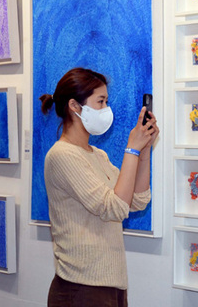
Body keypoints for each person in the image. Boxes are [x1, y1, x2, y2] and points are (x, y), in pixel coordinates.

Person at [39, 67, 159, 307]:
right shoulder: (61, 155)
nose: (106, 109)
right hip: (81, 287)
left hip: (111, 285)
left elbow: (137, 201)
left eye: (106, 101)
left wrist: (144, 151)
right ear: (74, 106)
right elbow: (115, 208)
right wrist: (131, 149)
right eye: (100, 101)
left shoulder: (98, 155)